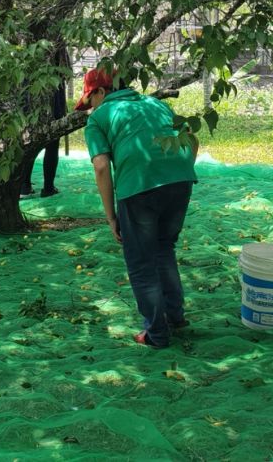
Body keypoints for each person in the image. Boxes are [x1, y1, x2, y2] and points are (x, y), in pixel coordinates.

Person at [81, 68, 199, 348]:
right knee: (164, 248)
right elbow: (192, 139)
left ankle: (157, 333)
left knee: (141, 262)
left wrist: (111, 216)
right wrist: (178, 171)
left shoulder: (99, 118)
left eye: (90, 98)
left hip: (139, 188)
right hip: (180, 181)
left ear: (100, 91)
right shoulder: (156, 103)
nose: (90, 106)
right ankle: (175, 318)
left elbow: (100, 167)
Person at [20, 48, 71, 197]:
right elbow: (66, 70)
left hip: (31, 97)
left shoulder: (27, 45)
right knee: (52, 144)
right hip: (52, 96)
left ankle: (25, 186)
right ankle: (47, 188)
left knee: (30, 141)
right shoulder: (57, 42)